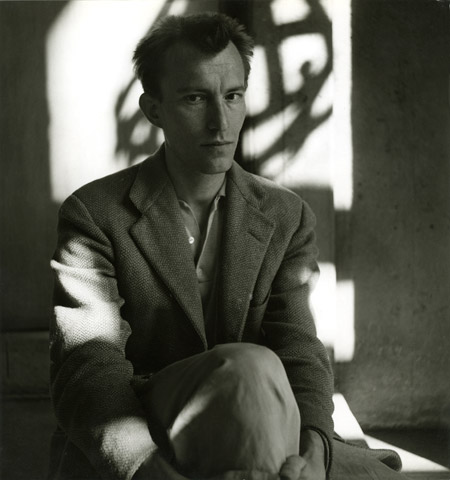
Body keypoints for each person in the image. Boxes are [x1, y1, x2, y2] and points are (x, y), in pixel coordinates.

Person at [49, 12, 407, 480]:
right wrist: (147, 469)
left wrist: (315, 451)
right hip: (148, 435)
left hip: (264, 427)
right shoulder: (95, 213)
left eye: (233, 96)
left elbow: (299, 350)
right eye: (195, 98)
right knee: (247, 366)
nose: (220, 121)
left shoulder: (286, 215)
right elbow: (89, 367)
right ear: (153, 109)